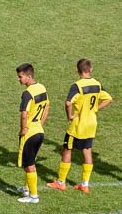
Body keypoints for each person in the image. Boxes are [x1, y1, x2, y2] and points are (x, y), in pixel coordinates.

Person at [47, 59, 113, 194]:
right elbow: (108, 99)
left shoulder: (77, 86)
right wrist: (95, 109)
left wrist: (69, 116)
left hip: (78, 125)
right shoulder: (97, 84)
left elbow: (67, 103)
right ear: (91, 69)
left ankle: (61, 182)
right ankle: (85, 184)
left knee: (67, 149)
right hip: (91, 124)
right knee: (87, 151)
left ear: (77, 70)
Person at [15, 63, 49, 204]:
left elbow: (24, 114)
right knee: (30, 161)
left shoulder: (27, 93)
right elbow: (47, 106)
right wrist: (41, 123)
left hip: (30, 133)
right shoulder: (42, 88)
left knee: (28, 164)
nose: (19, 79)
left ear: (29, 76)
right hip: (39, 131)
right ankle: (27, 189)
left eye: (20, 76)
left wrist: (23, 129)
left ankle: (33, 196)